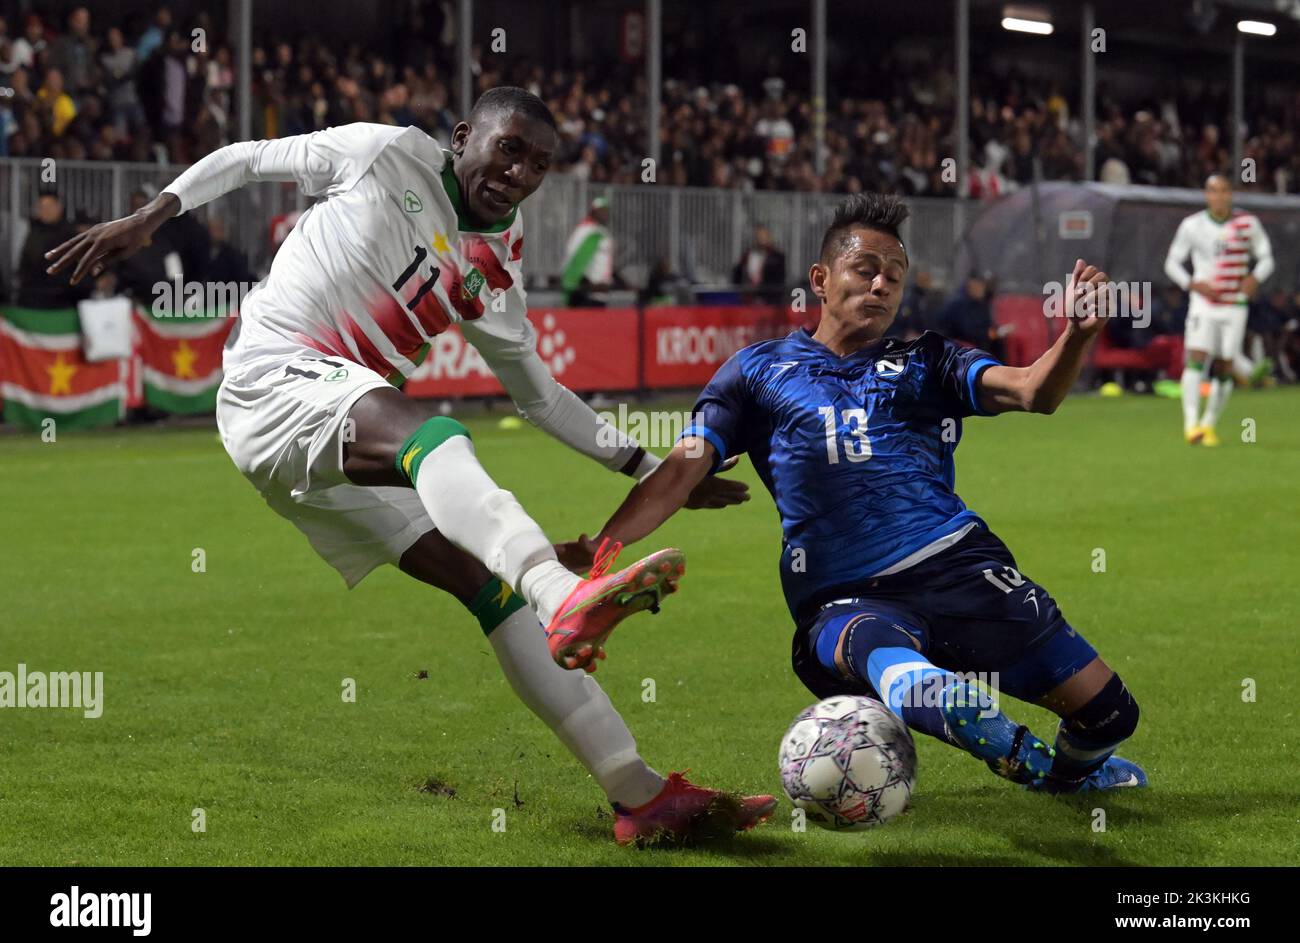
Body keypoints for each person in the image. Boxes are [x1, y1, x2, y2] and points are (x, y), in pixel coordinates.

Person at [45, 87, 773, 844]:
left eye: (538, 164)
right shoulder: (383, 152)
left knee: (492, 591)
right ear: (464, 138)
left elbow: (543, 398)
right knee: (436, 436)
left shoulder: (497, 265)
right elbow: (248, 157)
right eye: (508, 148)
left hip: (331, 435)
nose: (518, 171)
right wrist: (152, 214)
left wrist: (657, 470)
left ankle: (638, 795)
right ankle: (560, 590)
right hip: (275, 376)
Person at [564, 193, 1147, 796]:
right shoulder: (755, 371)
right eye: (865, 270)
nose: (880, 286)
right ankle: (953, 706)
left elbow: (1032, 391)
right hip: (842, 593)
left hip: (958, 566)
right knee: (876, 645)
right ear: (820, 279)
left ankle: (1062, 778)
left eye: (893, 277)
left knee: (1110, 716)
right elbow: (679, 474)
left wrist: (1077, 335)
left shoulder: (928, 359)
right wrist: (603, 551)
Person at [1164, 173, 1274, 446]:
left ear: (1231, 194)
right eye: (1213, 191)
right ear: (1206, 195)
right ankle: (1191, 424)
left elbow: (1266, 258)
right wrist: (1192, 284)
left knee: (1225, 365)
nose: (1219, 196)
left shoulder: (1247, 224)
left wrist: (1255, 277)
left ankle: (1209, 424)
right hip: (1204, 304)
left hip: (1234, 305)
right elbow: (1172, 263)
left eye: (1224, 190)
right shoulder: (1192, 225)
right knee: (1197, 358)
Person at [17, 192, 89, 309]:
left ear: (59, 207)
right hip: (33, 297)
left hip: (65, 298)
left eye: (50, 206)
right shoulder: (33, 232)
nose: (46, 211)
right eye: (42, 207)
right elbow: (26, 262)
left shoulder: (71, 233)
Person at [560, 196, 614, 307]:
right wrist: (582, 284)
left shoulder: (602, 232)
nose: (604, 214)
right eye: (601, 210)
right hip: (587, 293)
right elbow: (575, 258)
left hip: (601, 293)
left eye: (606, 211)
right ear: (593, 212)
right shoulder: (587, 231)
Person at [731, 225, 786, 304]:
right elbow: (738, 274)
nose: (761, 239)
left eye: (763, 236)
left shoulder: (777, 257)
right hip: (748, 298)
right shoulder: (748, 255)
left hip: (769, 299)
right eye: (759, 236)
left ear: (769, 237)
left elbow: (778, 278)